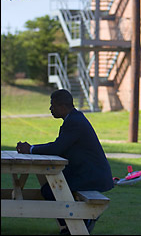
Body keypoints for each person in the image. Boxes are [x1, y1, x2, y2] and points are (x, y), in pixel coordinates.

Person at [17, 89, 114, 235]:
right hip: (85, 172)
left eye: (53, 105)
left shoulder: (74, 122)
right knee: (51, 188)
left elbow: (57, 147)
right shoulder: (74, 119)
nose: (50, 109)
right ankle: (73, 225)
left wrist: (31, 149)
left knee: (51, 190)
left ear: (63, 107)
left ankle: (77, 223)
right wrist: (32, 148)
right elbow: (59, 146)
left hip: (92, 176)